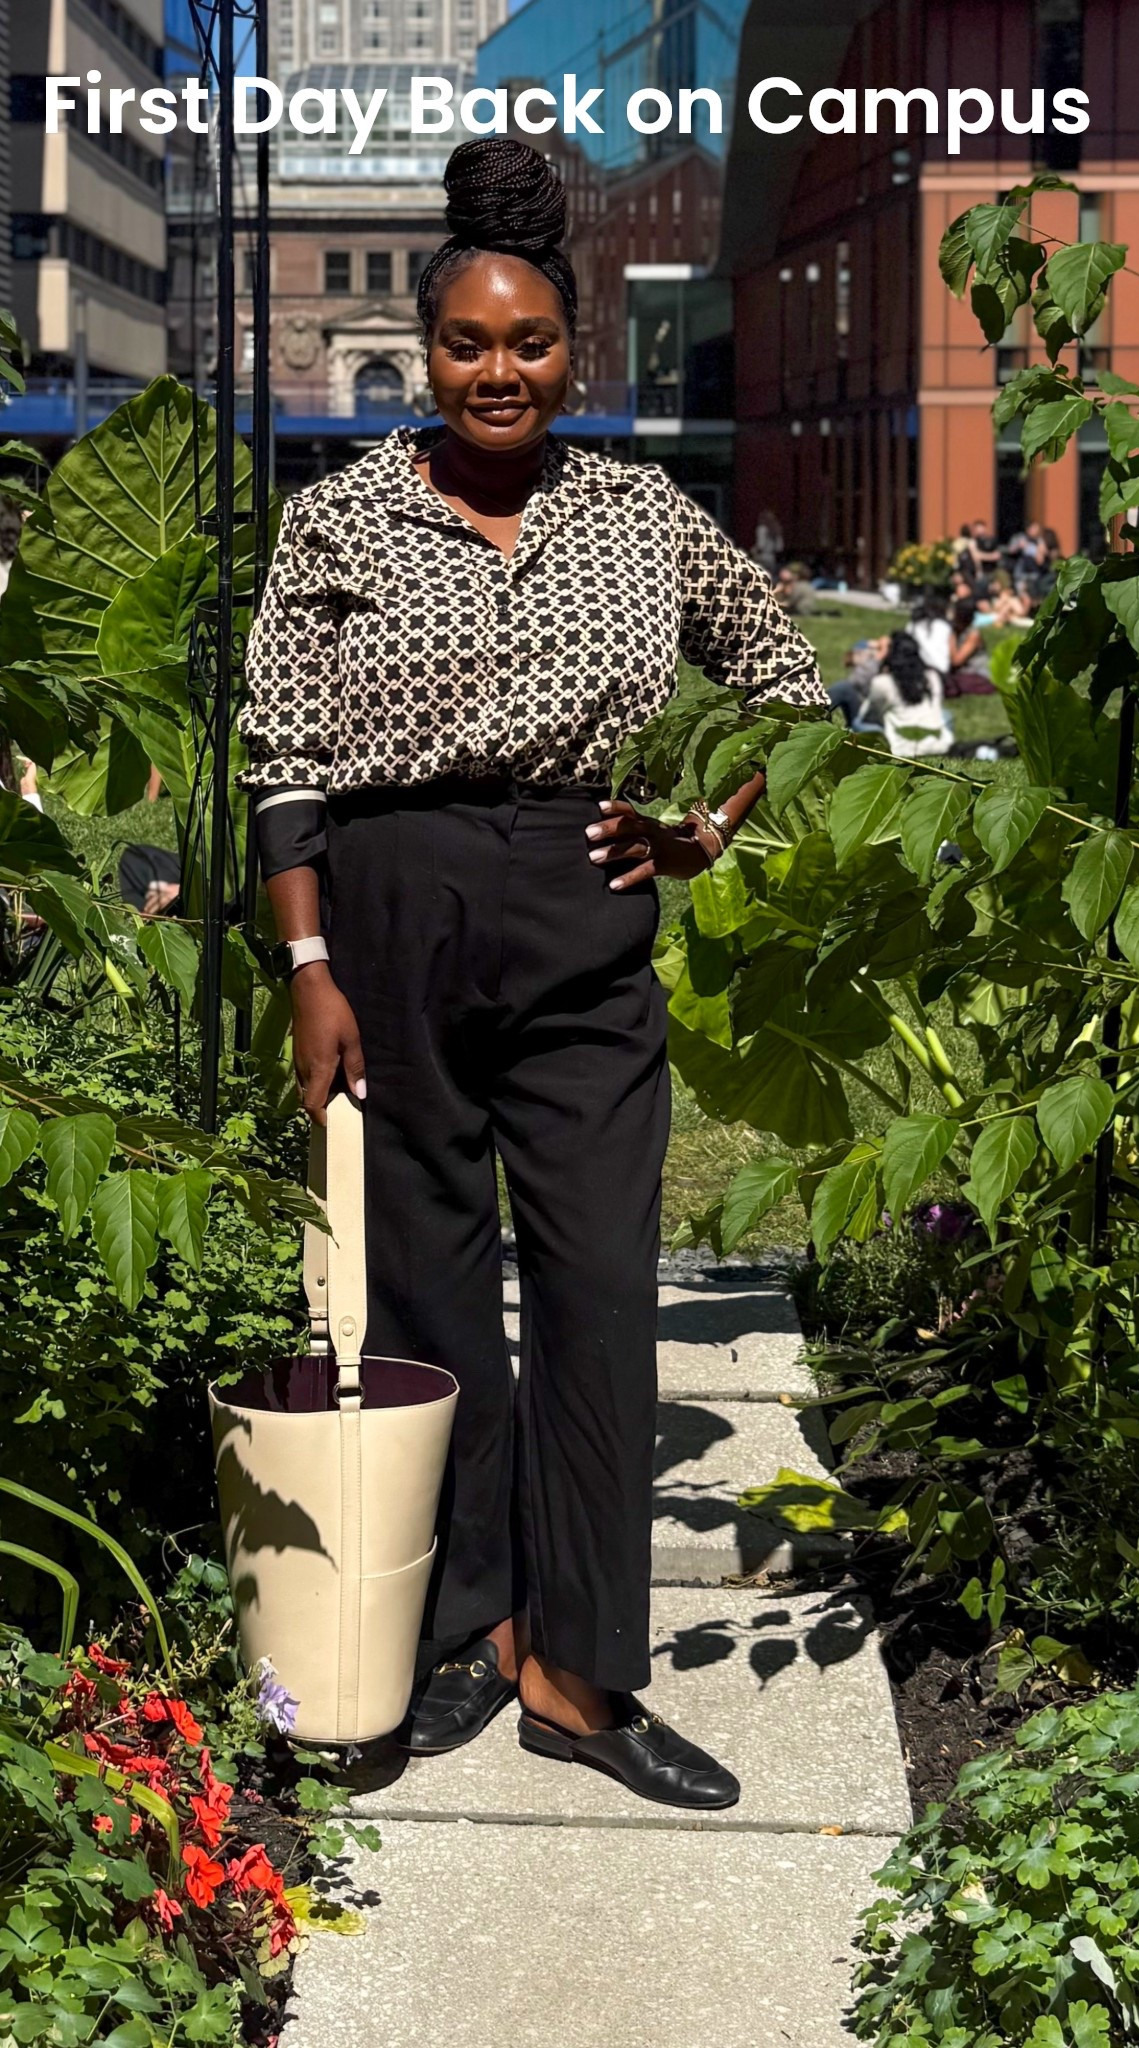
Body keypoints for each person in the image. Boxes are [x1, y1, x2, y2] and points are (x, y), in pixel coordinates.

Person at [238, 139, 826, 1812]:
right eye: (466, 346)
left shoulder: (644, 516)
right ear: (425, 355)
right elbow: (281, 743)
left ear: (578, 355)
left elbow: (780, 681)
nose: (498, 372)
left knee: (595, 1297)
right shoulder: (339, 517)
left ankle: (582, 1670)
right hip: (388, 910)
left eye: (530, 345)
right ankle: (458, 1621)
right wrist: (305, 960)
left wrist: (705, 825)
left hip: (582, 906)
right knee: (430, 1294)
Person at [854, 628, 952, 757]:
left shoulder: (883, 682)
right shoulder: (932, 676)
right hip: (938, 745)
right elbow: (936, 707)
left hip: (902, 747)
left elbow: (872, 714)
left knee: (857, 722)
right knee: (945, 714)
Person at [947, 596, 995, 696]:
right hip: (963, 672)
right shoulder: (957, 629)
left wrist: (951, 636)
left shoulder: (973, 634)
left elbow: (956, 660)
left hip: (978, 674)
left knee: (952, 683)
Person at [752, 507, 783, 578]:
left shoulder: (762, 529)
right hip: (771, 559)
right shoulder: (777, 530)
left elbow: (760, 546)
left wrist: (753, 551)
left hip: (761, 558)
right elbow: (779, 548)